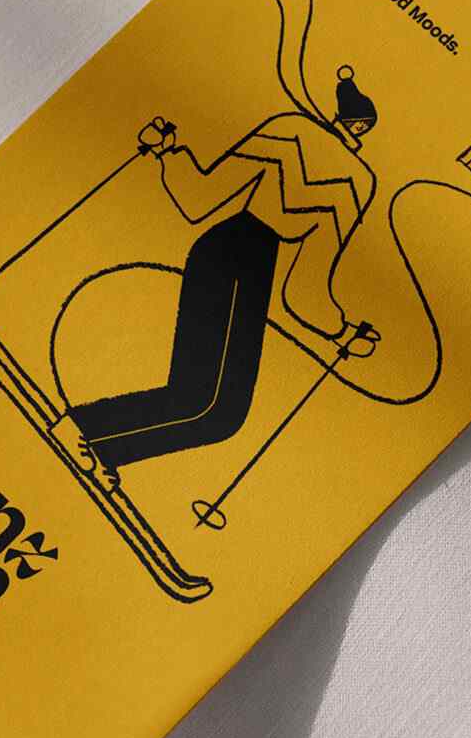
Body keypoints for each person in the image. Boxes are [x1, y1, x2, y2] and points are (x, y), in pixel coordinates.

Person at [51, 61, 383, 489]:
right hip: (247, 270)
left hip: (219, 248)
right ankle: (88, 432)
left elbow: (200, 200)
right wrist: (342, 332)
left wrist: (169, 152)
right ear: (361, 128)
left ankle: (100, 442)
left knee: (212, 408)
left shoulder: (290, 129)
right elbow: (305, 293)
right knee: (211, 408)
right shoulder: (355, 180)